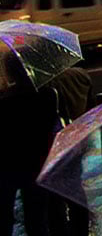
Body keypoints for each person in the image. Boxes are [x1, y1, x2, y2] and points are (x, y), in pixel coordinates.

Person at [0, 84, 60, 236]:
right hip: (37, 164)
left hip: (7, 166)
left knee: (4, 218)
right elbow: (52, 126)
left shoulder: (4, 100)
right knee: (37, 219)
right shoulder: (48, 94)